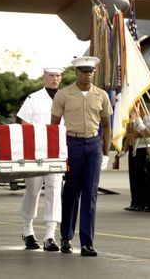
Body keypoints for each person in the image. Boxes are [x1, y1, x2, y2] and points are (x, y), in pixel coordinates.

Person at [51, 56, 112, 257]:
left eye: (91, 71)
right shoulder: (63, 95)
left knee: (90, 194)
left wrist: (105, 152)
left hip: (93, 144)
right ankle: (66, 237)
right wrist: (55, 152)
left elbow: (106, 125)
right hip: (72, 143)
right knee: (70, 192)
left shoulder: (101, 95)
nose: (88, 75)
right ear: (76, 72)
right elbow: (54, 126)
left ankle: (87, 242)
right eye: (84, 71)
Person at [17, 66, 64, 251]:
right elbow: (25, 124)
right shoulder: (33, 98)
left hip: (57, 152)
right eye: (51, 75)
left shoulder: (65, 97)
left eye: (58, 75)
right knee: (33, 191)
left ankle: (50, 235)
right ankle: (27, 230)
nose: (55, 79)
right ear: (44, 77)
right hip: (36, 153)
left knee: (54, 191)